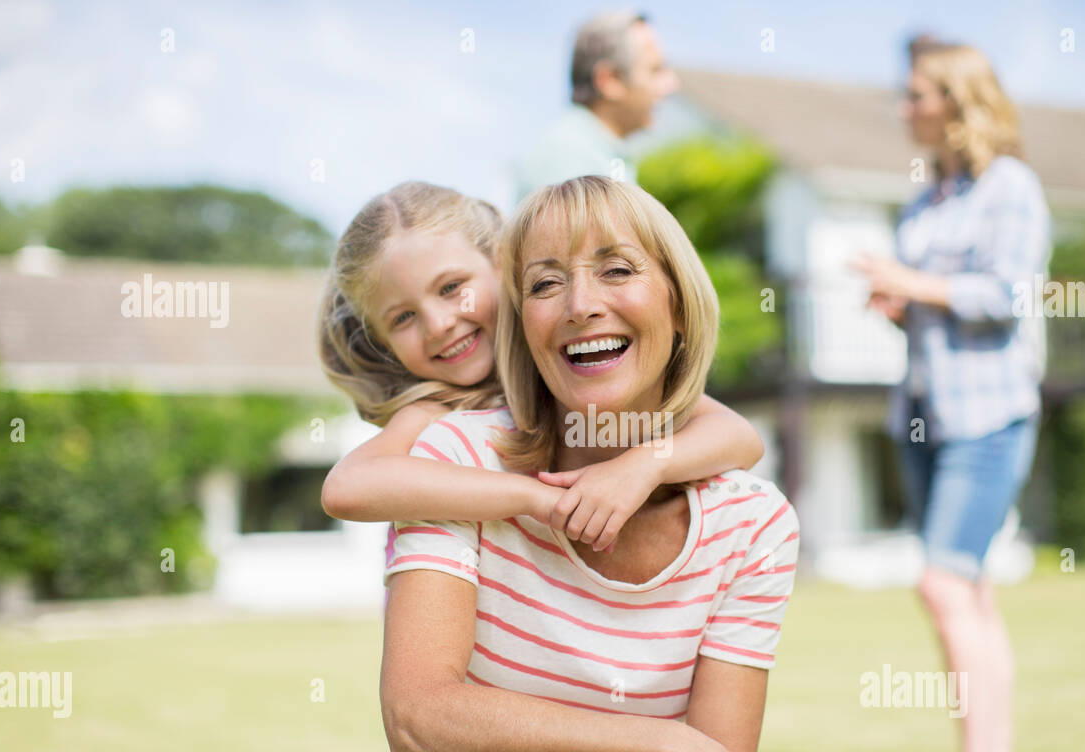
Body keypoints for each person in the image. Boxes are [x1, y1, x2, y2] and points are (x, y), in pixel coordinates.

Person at [357, 176, 808, 752]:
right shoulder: (453, 457)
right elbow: (419, 719)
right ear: (520, 322)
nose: (580, 305)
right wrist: (677, 748)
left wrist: (649, 460)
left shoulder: (751, 523)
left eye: (617, 270)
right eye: (543, 285)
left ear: (680, 306)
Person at [318, 180, 763, 554]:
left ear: (506, 267)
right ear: (384, 343)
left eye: (452, 287)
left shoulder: (569, 363)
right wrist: (534, 497)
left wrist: (644, 465)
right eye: (403, 318)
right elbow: (347, 487)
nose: (438, 324)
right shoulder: (441, 407)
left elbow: (740, 437)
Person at [850, 42, 1051, 752]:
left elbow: (1008, 295)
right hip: (924, 415)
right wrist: (896, 302)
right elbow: (936, 299)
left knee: (940, 585)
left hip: (990, 417)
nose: (903, 108)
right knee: (970, 594)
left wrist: (911, 284)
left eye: (916, 95)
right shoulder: (924, 200)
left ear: (956, 101)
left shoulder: (1012, 186)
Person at [509, 10, 679, 204]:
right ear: (609, 80)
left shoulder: (594, 155)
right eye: (655, 70)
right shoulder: (572, 160)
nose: (672, 85)